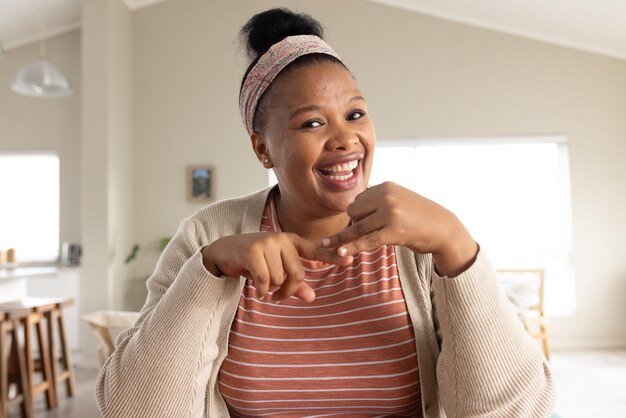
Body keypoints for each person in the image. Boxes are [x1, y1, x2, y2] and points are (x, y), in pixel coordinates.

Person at [96, 8, 555, 418]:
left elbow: (518, 410)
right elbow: (132, 410)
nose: (344, 139)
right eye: (312, 122)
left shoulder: (420, 242)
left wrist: (457, 245)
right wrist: (210, 270)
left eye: (355, 114)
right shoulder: (206, 236)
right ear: (263, 149)